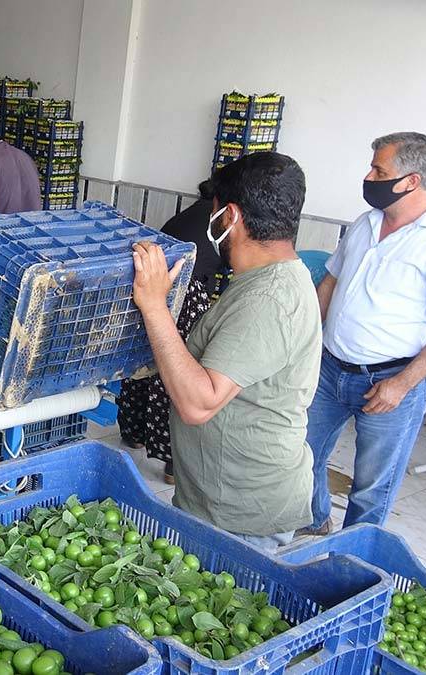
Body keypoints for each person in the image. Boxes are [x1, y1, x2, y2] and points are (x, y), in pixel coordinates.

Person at [131, 151, 320, 552]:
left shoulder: (269, 298)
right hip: (217, 499)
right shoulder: (262, 280)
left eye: (213, 213)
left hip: (242, 514)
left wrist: (154, 305)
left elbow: (199, 403)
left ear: (229, 216)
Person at [304, 132, 426, 535]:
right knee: (302, 454)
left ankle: (354, 554)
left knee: (372, 484)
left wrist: (401, 384)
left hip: (391, 380)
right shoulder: (365, 223)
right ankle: (312, 525)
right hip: (330, 368)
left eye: (379, 171)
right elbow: (331, 282)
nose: (369, 177)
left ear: (411, 181)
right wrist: (307, 342)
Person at [116, 179, 221, 483]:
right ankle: (174, 462)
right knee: (175, 375)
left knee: (143, 366)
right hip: (183, 295)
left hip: (152, 285)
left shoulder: (188, 214)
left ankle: (133, 434)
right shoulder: (220, 224)